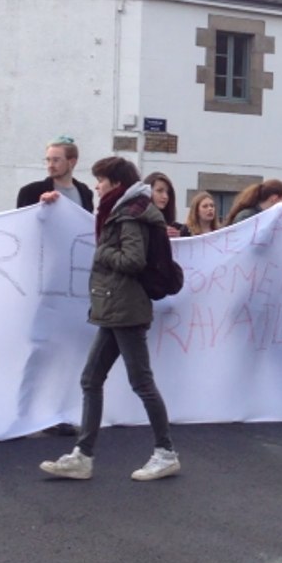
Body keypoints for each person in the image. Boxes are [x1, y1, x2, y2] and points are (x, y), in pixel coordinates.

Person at [40, 156, 180, 481]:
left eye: (101, 180)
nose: (96, 186)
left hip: (125, 309)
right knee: (92, 379)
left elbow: (133, 260)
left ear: (116, 183)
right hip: (117, 307)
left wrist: (102, 251)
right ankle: (83, 456)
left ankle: (165, 452)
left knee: (140, 382)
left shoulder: (129, 215)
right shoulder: (122, 210)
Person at [16, 137, 93, 212]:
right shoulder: (30, 192)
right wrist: (41, 206)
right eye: (48, 160)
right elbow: (22, 219)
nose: (50, 165)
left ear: (72, 162)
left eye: (56, 160)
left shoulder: (85, 192)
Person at [143, 172, 191, 238]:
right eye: (159, 191)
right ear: (147, 191)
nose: (165, 196)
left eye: (168, 192)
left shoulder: (177, 228)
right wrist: (159, 234)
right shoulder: (137, 223)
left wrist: (180, 236)